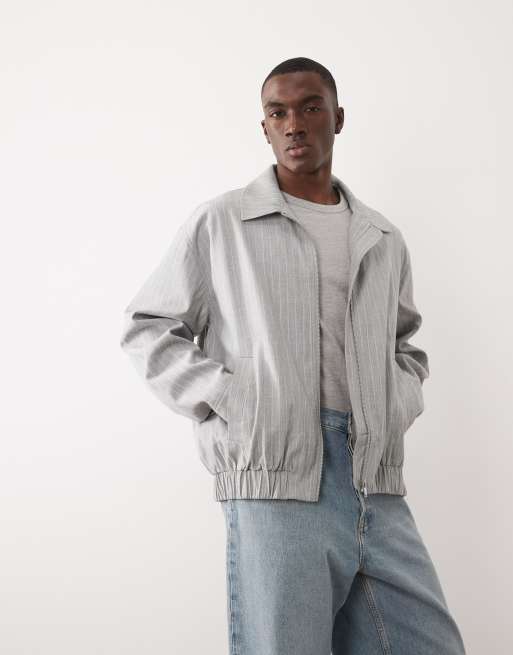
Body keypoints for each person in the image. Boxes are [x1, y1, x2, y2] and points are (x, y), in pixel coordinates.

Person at [120, 57, 466, 654]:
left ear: (338, 118)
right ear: (265, 128)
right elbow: (148, 327)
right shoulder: (223, 222)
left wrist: (395, 406)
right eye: (277, 113)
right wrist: (234, 399)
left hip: (375, 483)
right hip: (275, 482)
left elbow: (405, 346)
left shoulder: (382, 237)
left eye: (309, 108)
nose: (294, 124)